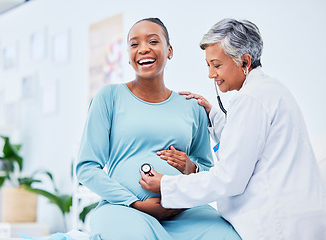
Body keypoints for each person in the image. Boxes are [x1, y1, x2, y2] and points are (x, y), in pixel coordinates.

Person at [139, 18, 326, 240]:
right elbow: (249, 145)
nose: (211, 74)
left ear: (244, 62)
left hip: (278, 225)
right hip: (298, 220)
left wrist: (166, 185)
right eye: (208, 65)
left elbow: (229, 179)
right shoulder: (270, 90)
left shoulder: (251, 99)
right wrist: (213, 115)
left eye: (216, 65)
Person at [76, 18, 241, 240]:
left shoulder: (191, 106)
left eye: (153, 41)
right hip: (125, 209)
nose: (143, 49)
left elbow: (208, 171)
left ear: (169, 50)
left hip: (186, 211)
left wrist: (190, 167)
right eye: (134, 44)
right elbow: (87, 167)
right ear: (128, 55)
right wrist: (136, 202)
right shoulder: (109, 97)